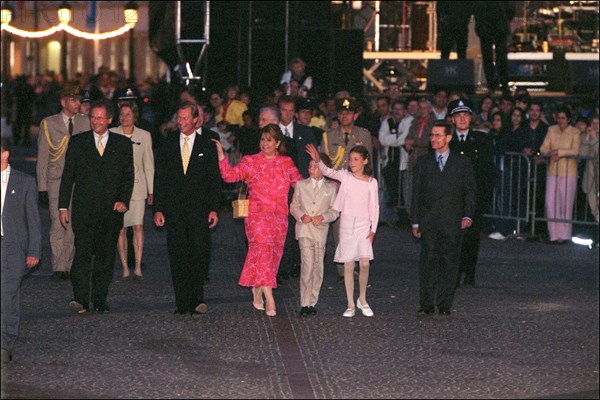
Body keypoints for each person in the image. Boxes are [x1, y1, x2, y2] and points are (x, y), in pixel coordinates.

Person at [215, 124, 303, 317]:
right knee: (263, 251)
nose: (265, 144)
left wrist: (322, 182)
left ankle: (258, 290)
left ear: (278, 143)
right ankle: (270, 298)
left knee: (272, 256)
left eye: (269, 140)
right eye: (263, 139)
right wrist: (221, 155)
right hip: (256, 217)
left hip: (279, 217)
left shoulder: (286, 162)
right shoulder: (250, 161)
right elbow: (229, 176)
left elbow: (300, 185)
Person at [59, 99, 134, 314]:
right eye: (93, 117)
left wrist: (124, 200)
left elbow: (128, 176)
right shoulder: (78, 142)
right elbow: (68, 177)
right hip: (84, 211)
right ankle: (80, 299)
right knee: (82, 254)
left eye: (100, 118)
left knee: (105, 257)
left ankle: (100, 299)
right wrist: (63, 206)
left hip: (110, 212)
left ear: (110, 120)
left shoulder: (122, 144)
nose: (96, 122)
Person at [153, 102, 221, 316]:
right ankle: (182, 302)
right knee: (178, 255)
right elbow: (160, 178)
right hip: (174, 210)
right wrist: (158, 208)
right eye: (178, 118)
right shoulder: (168, 143)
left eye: (185, 118)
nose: (181, 122)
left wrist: (214, 208)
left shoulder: (207, 145)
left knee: (199, 253)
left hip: (199, 210)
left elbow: (214, 180)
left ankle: (197, 297)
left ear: (195, 120)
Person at [306, 143, 379, 317]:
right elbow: (328, 171)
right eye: (350, 159)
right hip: (346, 223)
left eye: (356, 159)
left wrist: (373, 229)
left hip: (363, 225)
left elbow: (375, 206)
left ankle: (362, 299)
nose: (352, 163)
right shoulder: (345, 176)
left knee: (364, 262)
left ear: (365, 161)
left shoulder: (371, 182)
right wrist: (317, 159)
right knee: (348, 264)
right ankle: (350, 304)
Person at [411, 121, 476, 316]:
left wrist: (467, 215)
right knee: (428, 260)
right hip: (429, 220)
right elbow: (416, 194)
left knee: (450, 262)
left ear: (448, 137)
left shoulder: (462, 162)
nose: (434, 139)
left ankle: (445, 303)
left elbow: (469, 191)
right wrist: (415, 220)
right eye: (432, 135)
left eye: (438, 135)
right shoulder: (423, 162)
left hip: (452, 220)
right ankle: (427, 303)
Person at [37, 85, 90, 282]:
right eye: (74, 100)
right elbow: (43, 156)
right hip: (56, 180)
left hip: (78, 180)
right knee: (57, 221)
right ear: (64, 102)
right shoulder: (49, 123)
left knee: (73, 223)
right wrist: (42, 185)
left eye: (79, 100)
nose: (78, 103)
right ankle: (58, 265)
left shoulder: (86, 123)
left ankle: (68, 263)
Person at [321, 97, 373, 280]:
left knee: (357, 225)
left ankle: (355, 263)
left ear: (355, 115)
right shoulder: (329, 135)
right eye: (342, 113)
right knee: (339, 227)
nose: (345, 116)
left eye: (349, 113)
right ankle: (344, 269)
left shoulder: (363, 135)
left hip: (357, 186)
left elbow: (369, 162)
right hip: (336, 187)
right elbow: (324, 163)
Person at [1, 138, 42, 364]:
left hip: (13, 246)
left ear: (5, 154)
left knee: (6, 295)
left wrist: (34, 250)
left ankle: (5, 343)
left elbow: (34, 221)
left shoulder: (24, 182)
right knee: (8, 296)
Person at [448, 99, 495, 287]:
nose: (462, 119)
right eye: (458, 116)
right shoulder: (446, 140)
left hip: (473, 198)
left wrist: (484, 198)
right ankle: (454, 272)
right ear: (452, 119)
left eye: (465, 115)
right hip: (452, 198)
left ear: (471, 118)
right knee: (453, 237)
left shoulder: (481, 140)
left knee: (472, 238)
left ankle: (469, 273)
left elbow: (488, 172)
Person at [290, 154, 339, 316]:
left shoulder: (330, 188)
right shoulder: (301, 185)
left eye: (316, 167)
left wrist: (323, 217)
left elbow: (335, 211)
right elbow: (294, 206)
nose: (312, 170)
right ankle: (304, 303)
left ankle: (312, 301)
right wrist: (300, 215)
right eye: (310, 166)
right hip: (304, 230)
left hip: (320, 232)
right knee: (307, 265)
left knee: (318, 266)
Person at [112, 102, 154, 282]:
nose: (124, 118)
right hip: (118, 188)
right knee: (120, 228)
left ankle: (137, 267)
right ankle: (125, 268)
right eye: (122, 114)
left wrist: (151, 190)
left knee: (138, 226)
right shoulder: (112, 133)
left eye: (128, 114)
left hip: (138, 187)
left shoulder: (144, 136)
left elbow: (148, 164)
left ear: (134, 116)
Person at [278, 96, 318, 279]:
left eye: (290, 110)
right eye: (283, 110)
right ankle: (282, 265)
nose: (287, 114)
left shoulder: (305, 132)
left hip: (299, 185)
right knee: (281, 225)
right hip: (277, 187)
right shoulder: (272, 132)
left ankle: (296, 262)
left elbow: (312, 159)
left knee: (299, 224)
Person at [539, 106, 581, 244]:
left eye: (563, 118)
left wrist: (559, 152)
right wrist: (550, 153)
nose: (560, 120)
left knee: (565, 204)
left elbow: (575, 150)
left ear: (568, 119)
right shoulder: (551, 129)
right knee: (550, 202)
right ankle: (554, 235)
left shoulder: (575, 132)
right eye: (559, 118)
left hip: (569, 172)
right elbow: (543, 148)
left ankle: (564, 235)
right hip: (553, 171)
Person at [473, 2, 515, 93]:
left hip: (494, 26)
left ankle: (497, 85)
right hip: (494, 26)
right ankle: (499, 85)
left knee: (496, 58)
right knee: (495, 58)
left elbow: (476, 8)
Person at [579, 114, 599, 222]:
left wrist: (595, 138)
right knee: (592, 204)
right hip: (590, 176)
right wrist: (587, 138)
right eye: (593, 123)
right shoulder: (585, 136)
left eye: (597, 123)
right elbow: (582, 154)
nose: (595, 125)